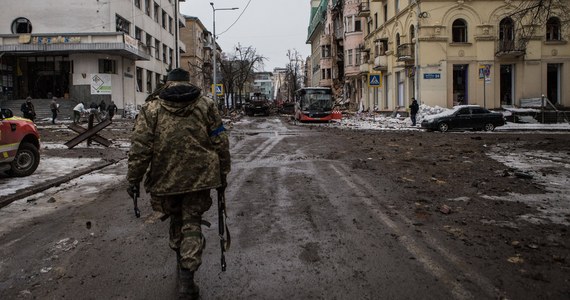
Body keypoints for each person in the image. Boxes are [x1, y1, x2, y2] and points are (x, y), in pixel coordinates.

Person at [126, 68, 231, 299]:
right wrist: (223, 172)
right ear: (188, 82)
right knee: (192, 221)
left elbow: (140, 148)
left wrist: (133, 179)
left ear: (167, 83)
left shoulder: (151, 108)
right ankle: (187, 277)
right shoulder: (206, 105)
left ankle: (182, 263)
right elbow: (220, 139)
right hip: (200, 178)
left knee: (175, 218)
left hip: (165, 178)